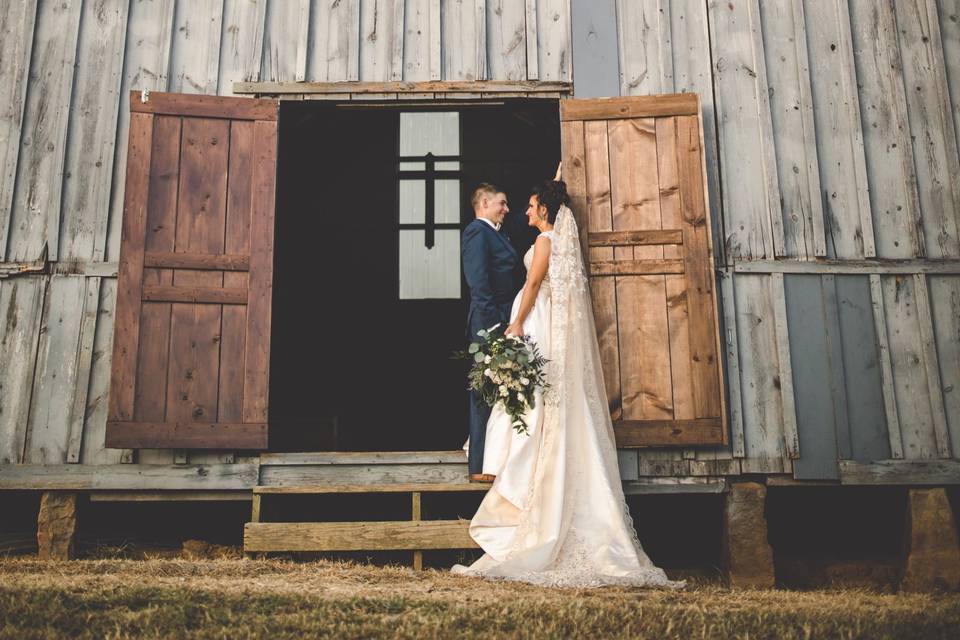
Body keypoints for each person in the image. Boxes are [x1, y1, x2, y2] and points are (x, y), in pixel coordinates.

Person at [452, 178, 684, 589]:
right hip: (539, 320)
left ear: (544, 210)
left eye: (529, 205)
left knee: (532, 396)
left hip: (534, 318)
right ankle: (502, 463)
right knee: (533, 395)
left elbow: (534, 285)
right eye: (512, 204)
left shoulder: (544, 243)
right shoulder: (546, 240)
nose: (522, 211)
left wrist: (516, 321)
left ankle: (516, 470)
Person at [461, 184, 519, 482]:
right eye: (502, 203)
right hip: (489, 322)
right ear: (484, 202)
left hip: (506, 318)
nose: (507, 209)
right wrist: (494, 324)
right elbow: (479, 283)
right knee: (484, 389)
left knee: (503, 387)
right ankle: (479, 467)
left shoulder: (496, 232)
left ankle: (497, 460)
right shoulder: (476, 232)